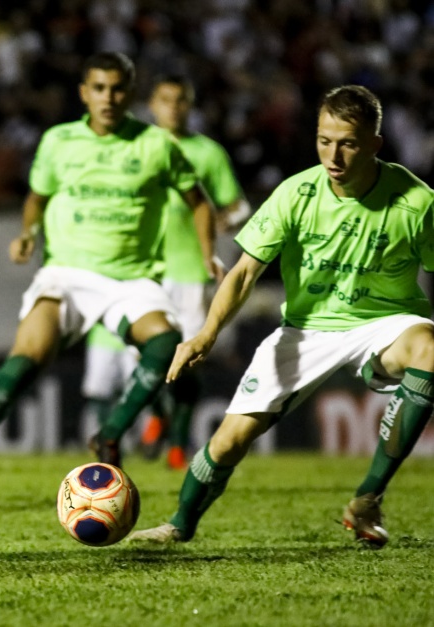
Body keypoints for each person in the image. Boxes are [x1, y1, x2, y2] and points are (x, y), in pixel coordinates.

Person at [128, 85, 434, 549]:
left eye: (348, 143)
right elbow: (244, 271)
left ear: (375, 143)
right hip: (307, 331)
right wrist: (207, 333)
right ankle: (178, 525)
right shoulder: (296, 193)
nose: (334, 155)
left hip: (387, 323)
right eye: (324, 140)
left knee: (430, 350)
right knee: (230, 442)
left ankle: (368, 498)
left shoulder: (416, 202)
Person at [0, 52, 222, 500]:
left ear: (130, 93)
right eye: (99, 88)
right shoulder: (58, 142)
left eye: (118, 89)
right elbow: (36, 198)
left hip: (130, 278)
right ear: (84, 93)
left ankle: (110, 433)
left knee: (165, 343)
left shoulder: (157, 145)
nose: (108, 97)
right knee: (25, 359)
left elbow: (199, 201)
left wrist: (207, 254)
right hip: (66, 274)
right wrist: (27, 232)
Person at [80, 76, 250, 470]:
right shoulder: (135, 145)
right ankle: (159, 415)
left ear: (189, 106)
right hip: (144, 270)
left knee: (188, 359)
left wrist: (227, 218)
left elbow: (238, 206)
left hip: (191, 272)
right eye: (166, 100)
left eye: (181, 101)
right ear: (152, 105)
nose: (173, 108)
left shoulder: (208, 153)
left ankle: (176, 442)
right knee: (148, 356)